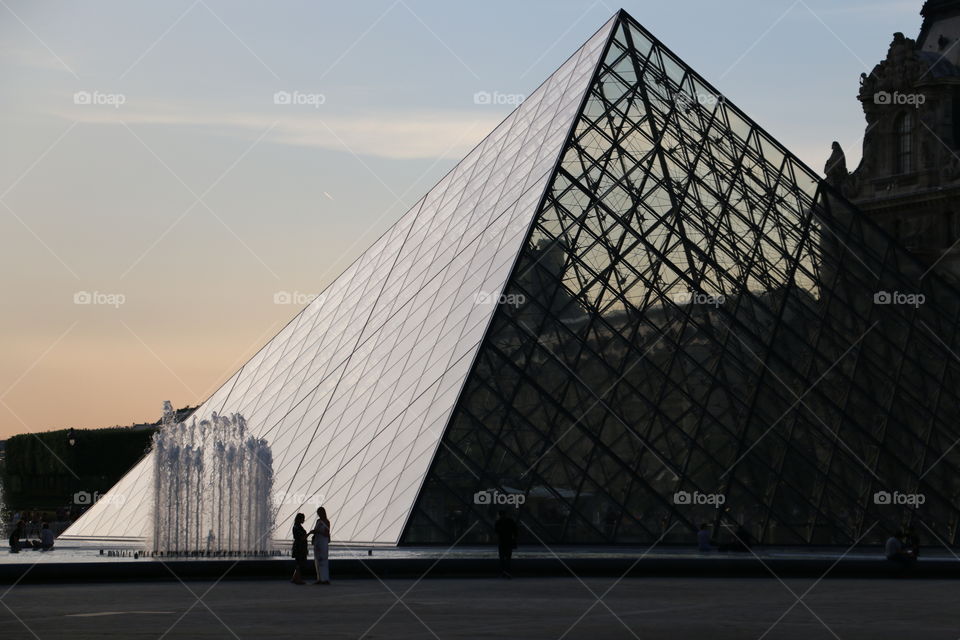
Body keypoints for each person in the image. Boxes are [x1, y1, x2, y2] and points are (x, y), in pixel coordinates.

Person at [494, 510, 518, 578]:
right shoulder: (510, 521)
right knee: (508, 557)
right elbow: (515, 530)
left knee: (502, 558)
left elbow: (496, 530)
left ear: (499, 514)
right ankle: (508, 571)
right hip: (509, 541)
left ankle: (503, 572)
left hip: (502, 541)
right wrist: (514, 538)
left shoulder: (498, 521)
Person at [311, 507, 331, 585]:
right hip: (317, 541)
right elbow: (316, 531)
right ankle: (319, 578)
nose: (318, 514)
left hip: (323, 542)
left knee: (323, 560)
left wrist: (318, 531)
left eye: (319, 512)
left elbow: (326, 533)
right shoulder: (318, 521)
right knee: (317, 560)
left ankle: (325, 579)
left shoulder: (326, 522)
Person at [291, 513, 308, 585]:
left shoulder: (297, 526)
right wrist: (309, 533)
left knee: (298, 563)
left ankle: (294, 578)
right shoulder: (297, 527)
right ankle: (298, 579)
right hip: (299, 547)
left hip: (299, 546)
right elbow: (301, 538)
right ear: (299, 519)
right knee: (299, 563)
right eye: (303, 518)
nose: (304, 520)